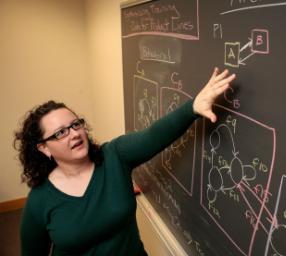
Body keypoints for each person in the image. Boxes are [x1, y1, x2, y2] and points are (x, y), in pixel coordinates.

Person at [14, 68, 236, 255]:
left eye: (75, 124)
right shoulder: (40, 200)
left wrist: (193, 108)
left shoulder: (114, 155)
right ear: (43, 148)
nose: (74, 134)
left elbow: (153, 136)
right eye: (60, 133)